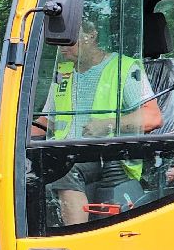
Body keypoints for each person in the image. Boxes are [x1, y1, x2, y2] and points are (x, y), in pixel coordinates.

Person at [30, 18, 162, 224]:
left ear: (91, 35)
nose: (61, 47)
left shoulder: (123, 68)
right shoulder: (63, 73)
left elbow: (152, 117)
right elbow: (47, 122)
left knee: (66, 170)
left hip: (109, 155)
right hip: (66, 150)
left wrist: (107, 123)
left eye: (68, 40)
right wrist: (5, 138)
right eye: (59, 41)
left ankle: (75, 240)